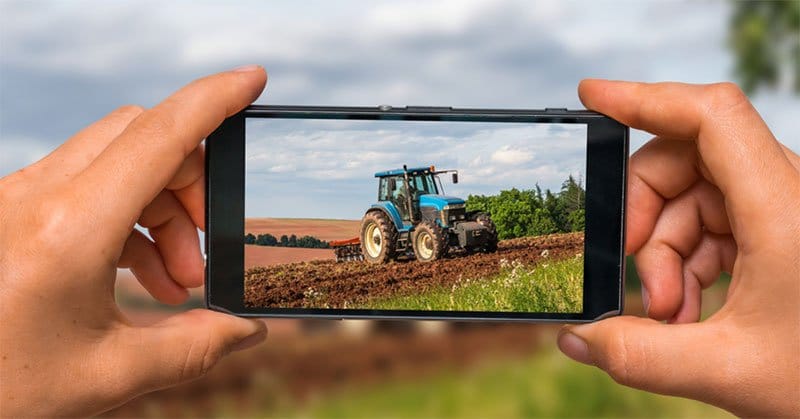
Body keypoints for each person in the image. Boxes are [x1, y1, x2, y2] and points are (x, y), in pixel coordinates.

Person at [0, 67, 796, 417]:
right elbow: (419, 228)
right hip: (406, 241)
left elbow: (453, 229)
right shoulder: (392, 214)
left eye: (424, 186)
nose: (427, 196)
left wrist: (462, 230)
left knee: (461, 237)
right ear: (396, 193)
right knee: (424, 243)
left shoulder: (443, 205)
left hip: (428, 239)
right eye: (415, 188)